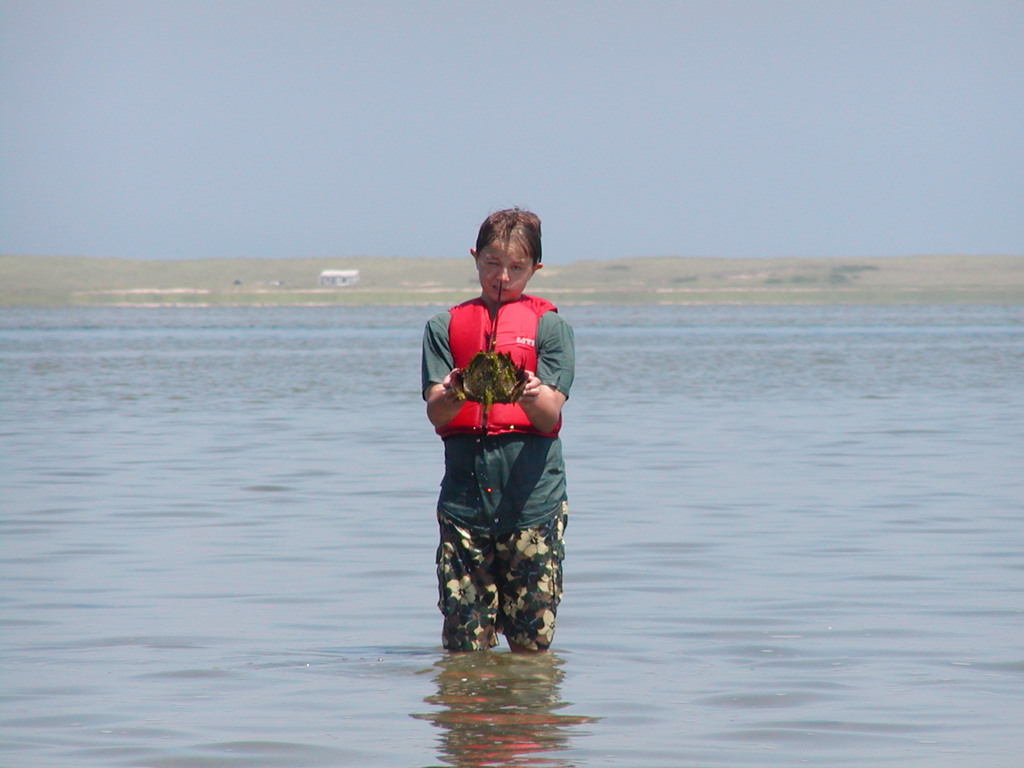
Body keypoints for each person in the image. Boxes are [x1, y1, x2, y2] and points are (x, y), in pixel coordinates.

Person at [421, 208, 575, 653]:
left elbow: (549, 415)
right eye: (492, 263)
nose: (502, 276)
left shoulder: (552, 328)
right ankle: (470, 718)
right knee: (464, 646)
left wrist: (531, 393)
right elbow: (436, 413)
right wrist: (453, 391)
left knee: (531, 646)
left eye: (516, 268)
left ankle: (524, 719)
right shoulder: (442, 328)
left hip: (532, 501)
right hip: (464, 504)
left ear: (535, 269)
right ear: (475, 258)